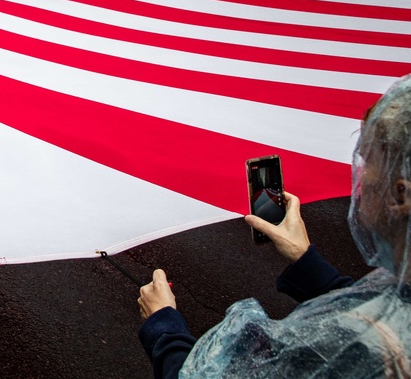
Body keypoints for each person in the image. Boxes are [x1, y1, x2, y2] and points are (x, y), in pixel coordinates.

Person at [138, 75, 411, 378]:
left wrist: (163, 324)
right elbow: (370, 305)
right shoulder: (399, 284)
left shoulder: (348, 350)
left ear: (401, 194)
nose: (359, 176)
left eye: (367, 161)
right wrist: (306, 260)